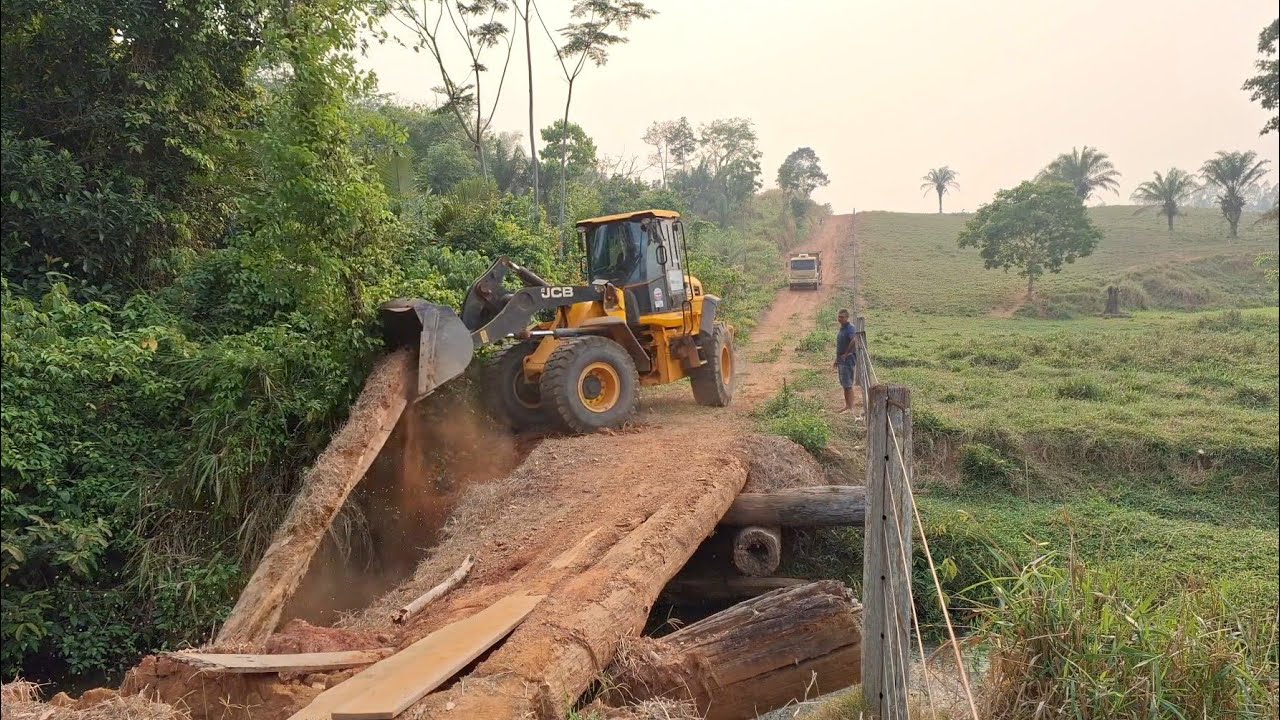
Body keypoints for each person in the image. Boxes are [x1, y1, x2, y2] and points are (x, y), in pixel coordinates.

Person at [833, 309, 858, 413]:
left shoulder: (850, 328)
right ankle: (847, 405)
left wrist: (847, 353)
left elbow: (854, 340)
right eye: (839, 316)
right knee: (845, 385)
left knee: (848, 385)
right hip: (841, 360)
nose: (840, 319)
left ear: (847, 318)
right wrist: (836, 359)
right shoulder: (842, 329)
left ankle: (851, 407)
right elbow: (841, 346)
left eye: (842, 317)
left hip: (848, 361)